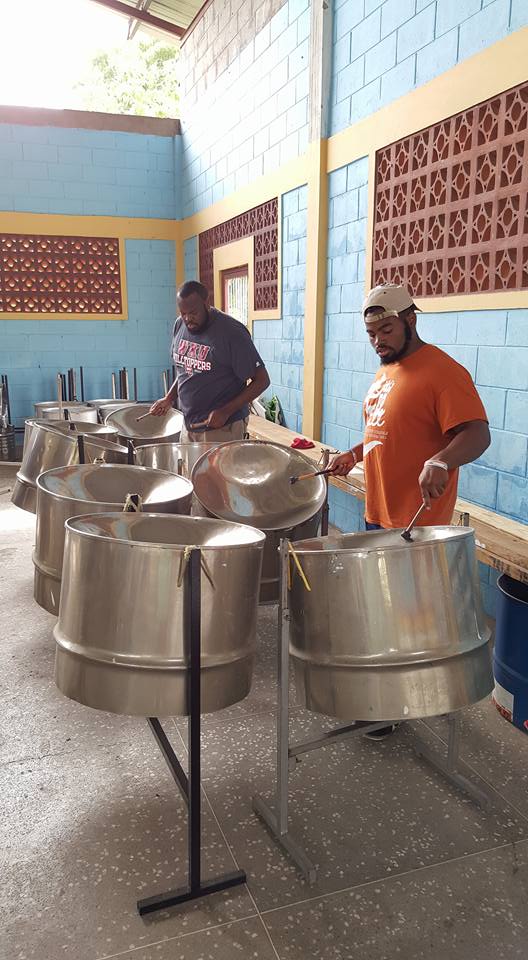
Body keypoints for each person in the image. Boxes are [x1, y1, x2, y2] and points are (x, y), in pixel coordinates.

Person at [329, 282, 490, 738]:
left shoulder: (442, 371)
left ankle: (390, 705)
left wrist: (441, 460)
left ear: (410, 321)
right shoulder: (388, 369)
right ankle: (394, 695)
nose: (378, 340)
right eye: (371, 333)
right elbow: (388, 429)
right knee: (384, 611)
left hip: (415, 519)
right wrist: (355, 454)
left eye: (386, 329)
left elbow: (477, 433)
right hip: (379, 508)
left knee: (400, 615)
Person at [150, 280, 270, 441]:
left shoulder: (231, 333)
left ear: (206, 304)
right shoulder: (180, 325)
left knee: (216, 468)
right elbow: (186, 370)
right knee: (188, 467)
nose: (187, 319)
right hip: (189, 425)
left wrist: (226, 411)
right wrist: (169, 398)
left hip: (222, 428)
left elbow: (262, 381)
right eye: (183, 313)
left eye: (193, 313)